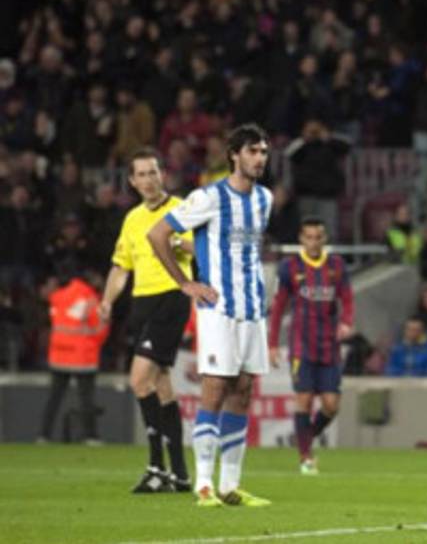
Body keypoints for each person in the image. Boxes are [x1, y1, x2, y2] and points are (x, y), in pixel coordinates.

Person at [147, 124, 273, 508]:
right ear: (234, 154)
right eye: (252, 151)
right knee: (216, 388)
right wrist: (186, 283)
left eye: (264, 152)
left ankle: (230, 485)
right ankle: (203, 484)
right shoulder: (209, 196)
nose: (260, 159)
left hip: (253, 309)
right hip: (218, 308)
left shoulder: (265, 198)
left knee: (243, 390)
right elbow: (158, 234)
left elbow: (226, 245)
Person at [98, 148, 194, 493]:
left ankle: (157, 467)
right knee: (161, 384)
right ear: (132, 181)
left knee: (139, 379)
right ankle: (179, 473)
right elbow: (121, 266)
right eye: (142, 174)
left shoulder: (181, 209)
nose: (149, 180)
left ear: (162, 175)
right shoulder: (133, 219)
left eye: (153, 172)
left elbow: (199, 247)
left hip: (171, 297)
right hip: (142, 302)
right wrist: (107, 300)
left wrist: (180, 243)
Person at [267, 217, 355, 475]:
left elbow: (347, 298)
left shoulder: (336, 265)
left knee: (331, 405)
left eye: (318, 237)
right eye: (309, 237)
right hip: (301, 346)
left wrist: (347, 322)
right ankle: (306, 457)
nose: (314, 242)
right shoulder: (290, 267)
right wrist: (272, 344)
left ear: (324, 239)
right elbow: (278, 307)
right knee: (303, 399)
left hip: (329, 346)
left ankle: (306, 437)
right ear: (301, 239)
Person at [38, 271, 108, 444]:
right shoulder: (91, 298)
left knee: (54, 397)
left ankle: (44, 435)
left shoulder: (58, 296)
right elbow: (100, 329)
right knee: (86, 398)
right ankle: (90, 436)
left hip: (59, 354)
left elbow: (54, 319)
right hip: (83, 356)